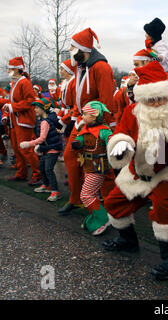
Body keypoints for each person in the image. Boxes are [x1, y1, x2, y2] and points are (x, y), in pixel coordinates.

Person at [102, 61, 168, 281]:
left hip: (165, 172)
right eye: (151, 98)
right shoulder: (131, 111)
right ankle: (128, 241)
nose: (156, 102)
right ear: (142, 98)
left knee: (161, 209)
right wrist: (120, 144)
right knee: (113, 202)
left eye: (160, 97)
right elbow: (120, 132)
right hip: (137, 170)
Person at [59, 27, 116, 215]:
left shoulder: (101, 67)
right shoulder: (80, 67)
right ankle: (77, 199)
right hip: (81, 122)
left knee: (100, 165)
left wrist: (91, 122)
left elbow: (107, 102)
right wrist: (73, 120)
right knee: (70, 156)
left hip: (97, 124)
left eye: (72, 47)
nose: (70, 50)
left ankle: (110, 205)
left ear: (82, 49)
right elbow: (79, 98)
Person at [71, 101, 113, 236]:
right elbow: (81, 139)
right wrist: (77, 143)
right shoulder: (85, 129)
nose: (82, 116)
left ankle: (103, 218)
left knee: (85, 195)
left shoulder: (104, 131)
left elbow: (111, 143)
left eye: (85, 114)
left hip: (98, 167)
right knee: (93, 194)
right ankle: (94, 217)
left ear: (94, 116)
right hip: (88, 166)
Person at [0, 56, 41, 185]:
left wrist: (12, 107)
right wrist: (3, 103)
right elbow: (13, 102)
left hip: (23, 121)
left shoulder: (24, 82)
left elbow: (30, 101)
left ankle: (38, 174)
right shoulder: (15, 83)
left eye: (10, 69)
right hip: (15, 121)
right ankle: (21, 172)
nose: (8, 71)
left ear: (17, 69)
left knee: (26, 149)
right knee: (17, 149)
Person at [20, 97, 62, 201]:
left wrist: (28, 144)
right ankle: (46, 185)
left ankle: (55, 191)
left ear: (43, 109)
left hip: (52, 149)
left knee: (48, 169)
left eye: (37, 108)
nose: (34, 109)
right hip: (46, 148)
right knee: (42, 167)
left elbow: (42, 138)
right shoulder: (42, 120)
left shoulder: (45, 122)